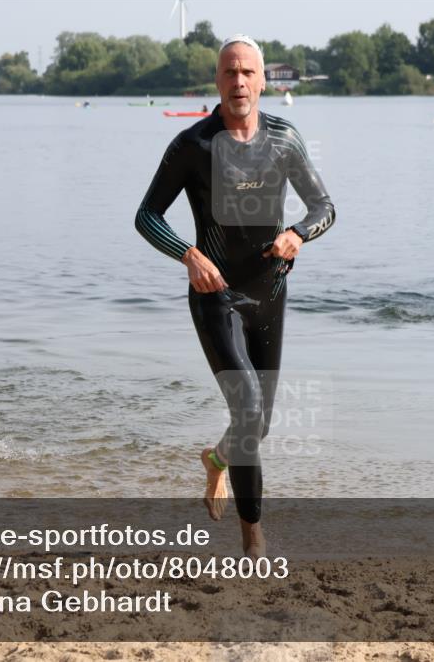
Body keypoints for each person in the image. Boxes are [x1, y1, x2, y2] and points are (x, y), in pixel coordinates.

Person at [135, 34, 335, 557]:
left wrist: (299, 234)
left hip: (269, 295)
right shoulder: (192, 146)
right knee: (247, 407)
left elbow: (324, 207)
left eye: (248, 72)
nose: (239, 81)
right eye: (229, 73)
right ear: (217, 81)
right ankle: (253, 538)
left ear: (263, 81)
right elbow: (146, 216)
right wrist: (188, 254)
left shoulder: (285, 140)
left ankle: (217, 461)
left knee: (259, 423)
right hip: (215, 295)